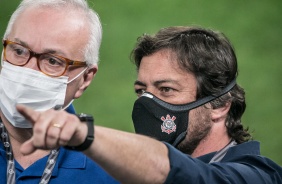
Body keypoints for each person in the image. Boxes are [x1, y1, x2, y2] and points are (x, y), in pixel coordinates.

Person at [18, 26, 282, 184]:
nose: (148, 102)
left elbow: (182, 174)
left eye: (166, 90)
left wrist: (85, 134)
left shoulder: (259, 177)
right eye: (141, 90)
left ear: (220, 105)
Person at [0, 0, 119, 183]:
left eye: (53, 61)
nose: (29, 69)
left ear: (84, 79)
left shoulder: (109, 172)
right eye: (19, 50)